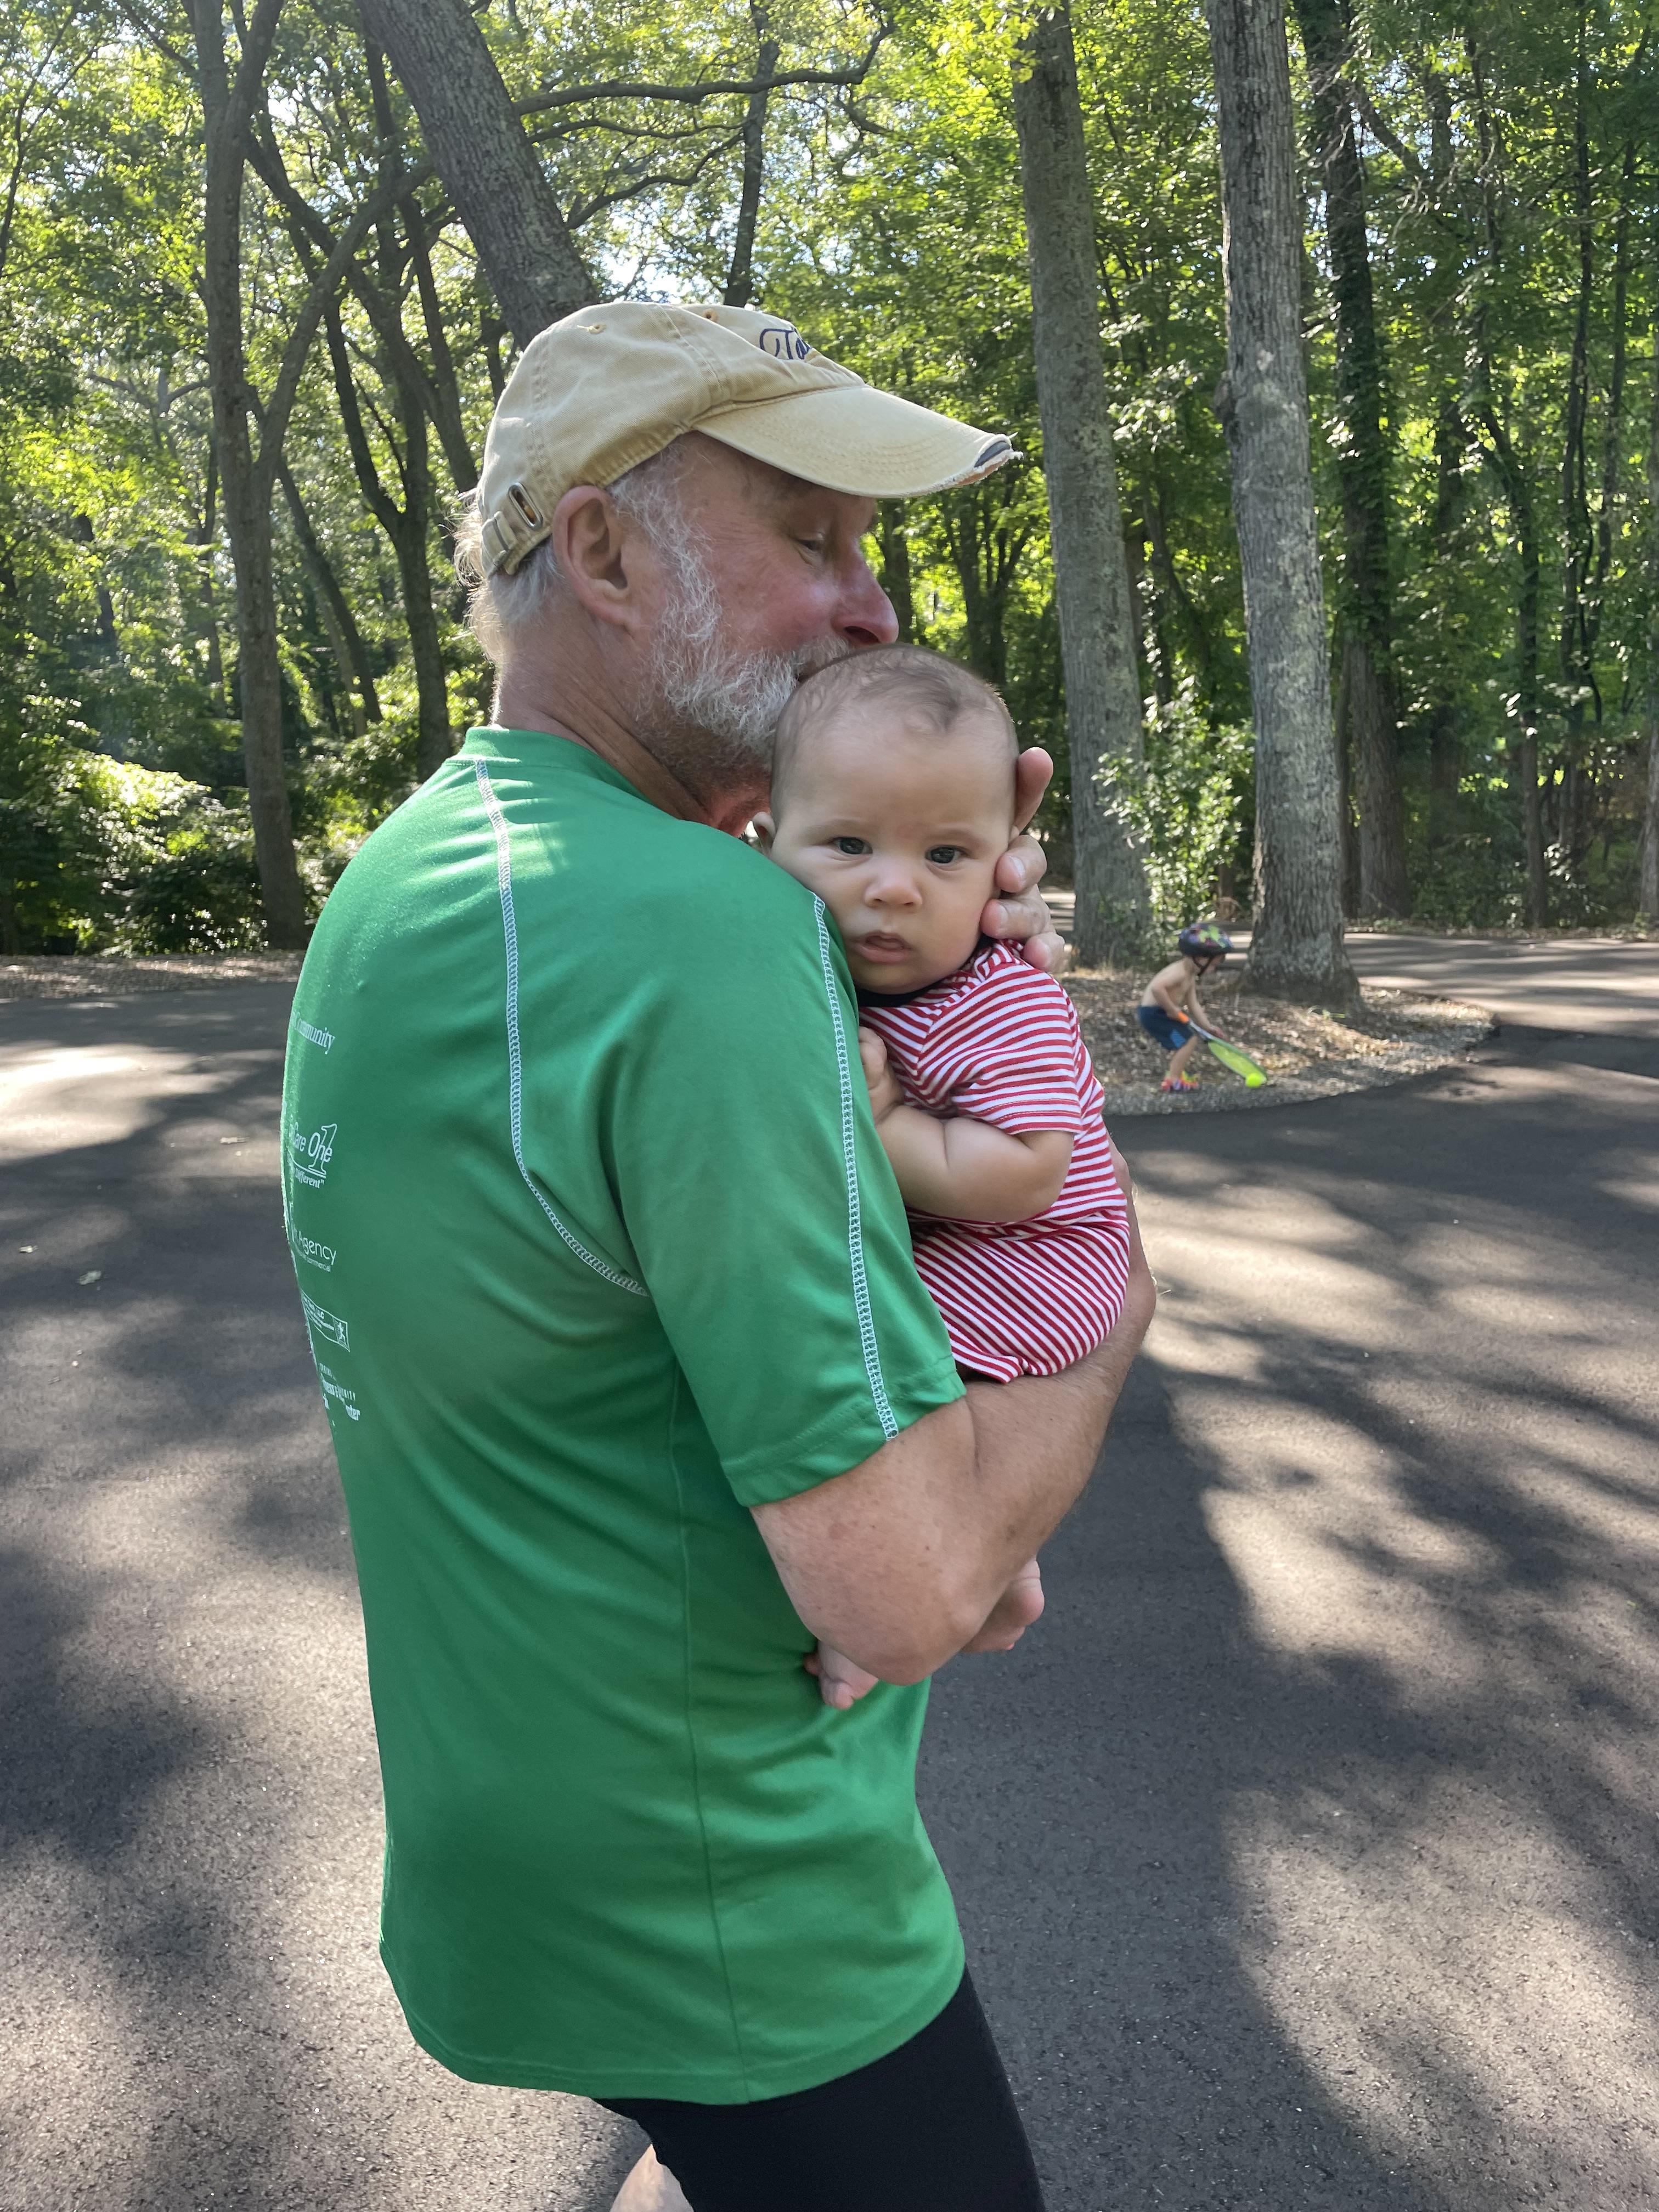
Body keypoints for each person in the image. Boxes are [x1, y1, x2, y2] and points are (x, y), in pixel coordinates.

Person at [280, 300, 1155, 2212]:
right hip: (744, 1912)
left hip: (526, 1853)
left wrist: (921, 927)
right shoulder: (696, 931)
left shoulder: (427, 866)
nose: (868, 602)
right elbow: (913, 1586)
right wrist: (1106, 1268)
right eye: (813, 536)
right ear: (598, 551)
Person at [754, 645, 1132, 1713]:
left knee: (899, 1388)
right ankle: (999, 1559)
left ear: (1006, 866)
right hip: (971, 1237)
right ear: (762, 840)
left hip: (1035, 1254)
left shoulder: (995, 1004)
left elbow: (1026, 1173)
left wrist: (885, 1124)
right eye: (849, 842)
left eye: (948, 857)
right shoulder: (836, 964)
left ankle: (888, 1616)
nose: (892, 886)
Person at [1137, 921, 1234, 1094]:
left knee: (1183, 1042)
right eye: (1213, 965)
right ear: (1200, 958)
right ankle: (1172, 1080)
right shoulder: (1179, 972)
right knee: (1187, 1042)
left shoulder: (1189, 976)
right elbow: (1157, 988)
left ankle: (1176, 1075)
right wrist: (1172, 1010)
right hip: (1154, 1014)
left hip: (1161, 1014)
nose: (1213, 970)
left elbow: (1193, 1004)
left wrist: (1208, 1027)